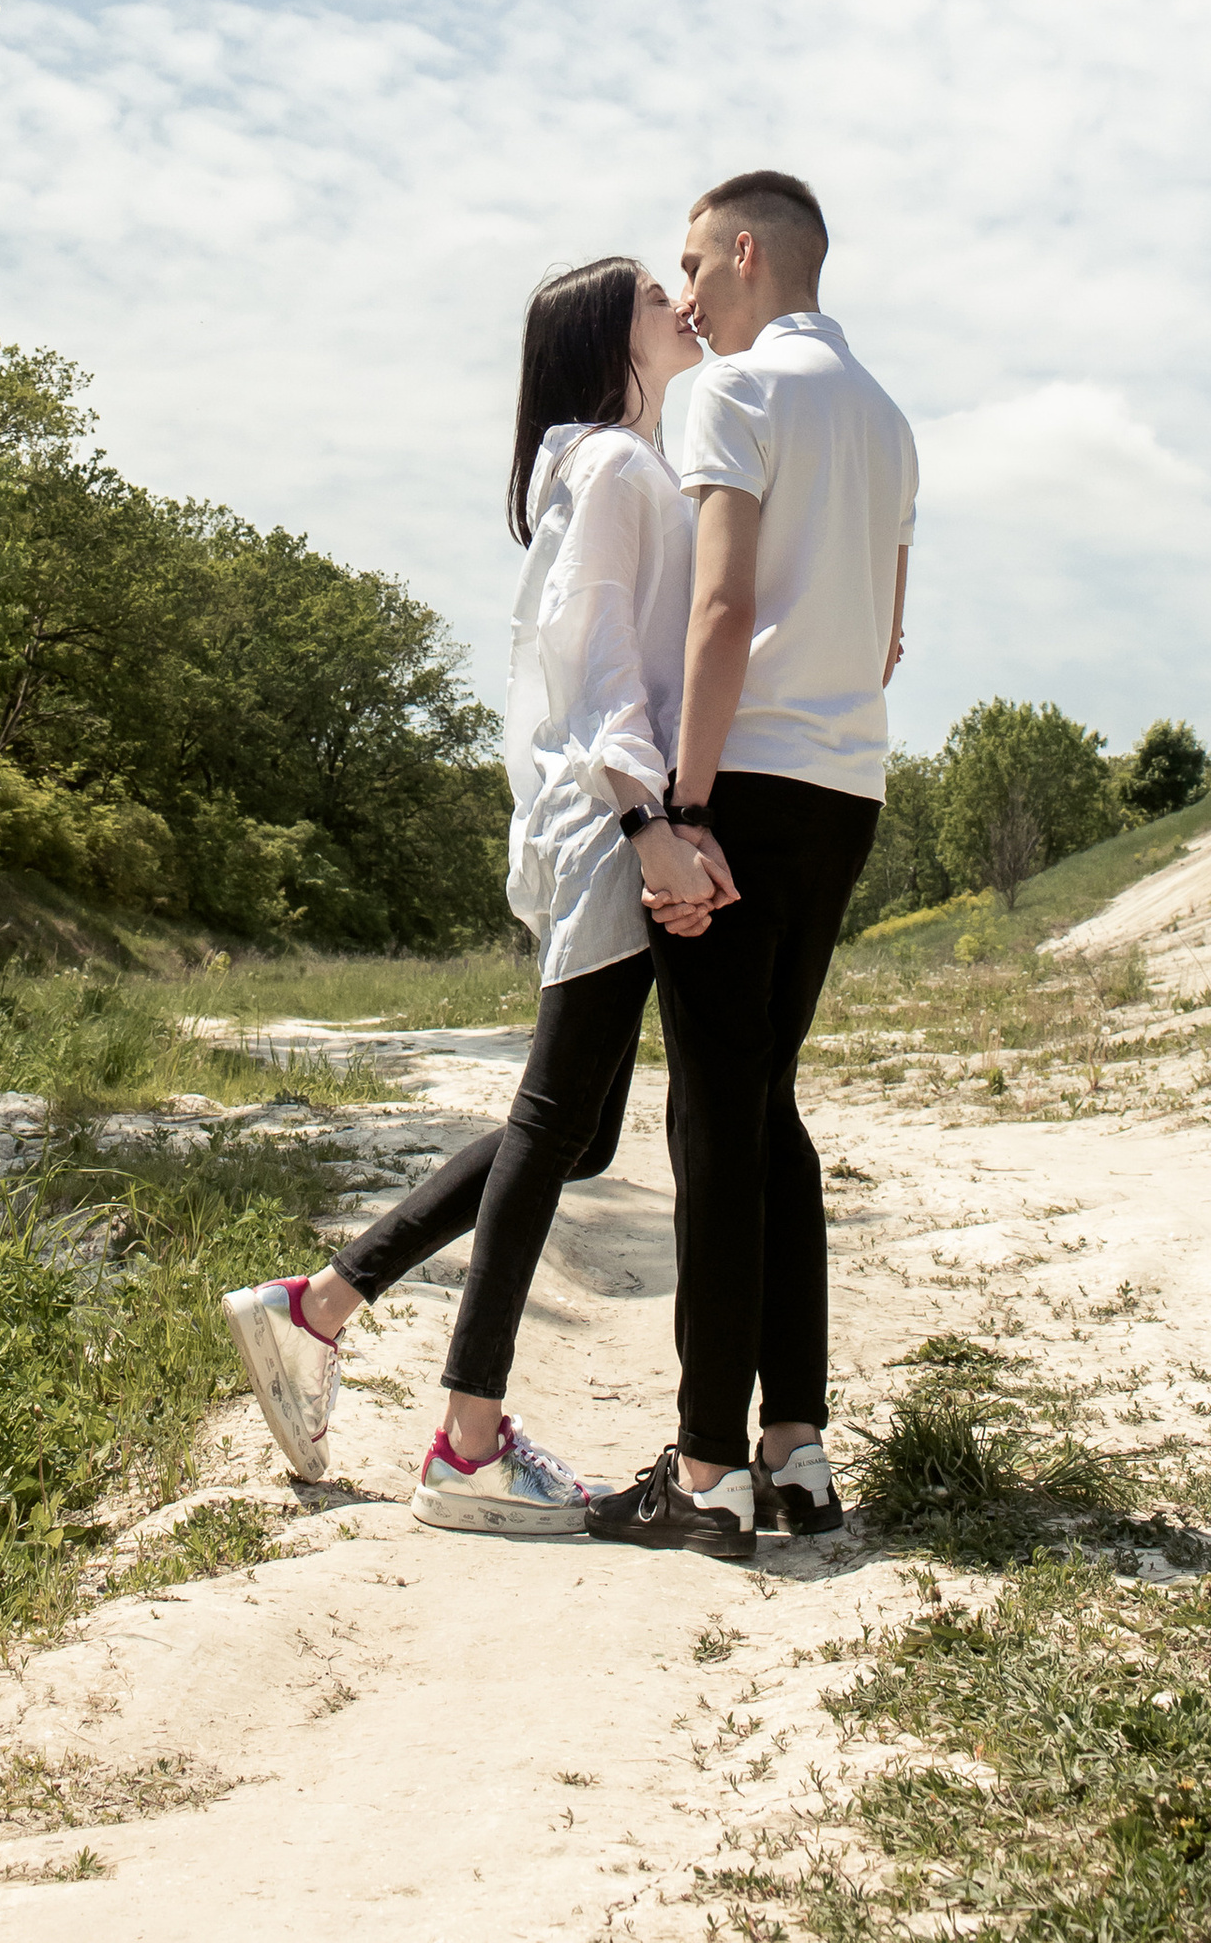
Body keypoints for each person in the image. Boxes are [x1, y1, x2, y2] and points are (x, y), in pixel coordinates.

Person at [224, 252, 722, 1534]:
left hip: (610, 816)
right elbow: (595, 651)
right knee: (560, 1119)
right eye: (653, 302)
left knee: (577, 1131)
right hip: (617, 822)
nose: (679, 304)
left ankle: (321, 1306)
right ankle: (468, 1442)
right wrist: (644, 814)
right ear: (610, 343)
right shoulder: (615, 468)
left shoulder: (619, 467)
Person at [584, 168, 916, 1560]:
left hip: (745, 779)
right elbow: (892, 634)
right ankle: (799, 1451)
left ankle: (709, 1468)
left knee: (714, 1119)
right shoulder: (889, 421)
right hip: (849, 788)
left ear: (744, 253)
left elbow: (719, 609)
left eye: (692, 267)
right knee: (767, 1105)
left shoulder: (738, 395)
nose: (688, 297)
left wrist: (687, 801)